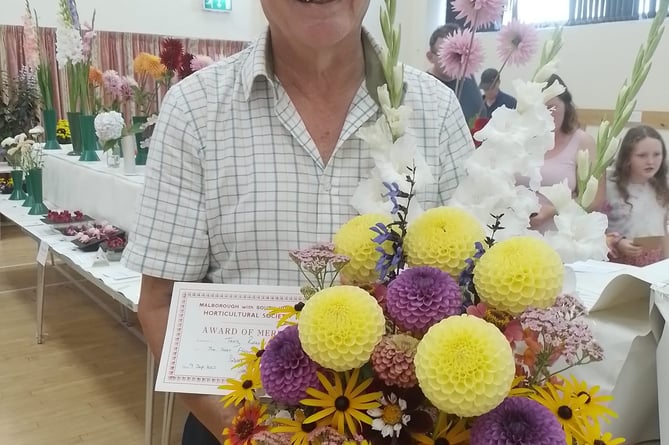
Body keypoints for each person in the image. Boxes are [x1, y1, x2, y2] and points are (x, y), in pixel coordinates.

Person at [122, 1, 474, 444]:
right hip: (236, 425)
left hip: (400, 428)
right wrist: (253, 437)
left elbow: (473, 298)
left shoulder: (435, 110)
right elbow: (160, 302)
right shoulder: (196, 110)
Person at [606, 125, 669, 266]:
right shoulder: (610, 188)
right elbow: (599, 228)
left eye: (657, 154)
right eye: (642, 155)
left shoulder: (662, 187)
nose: (651, 162)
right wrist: (619, 242)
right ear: (627, 158)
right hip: (618, 263)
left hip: (653, 263)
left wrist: (665, 264)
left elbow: (663, 229)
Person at [426, 23, 484, 124]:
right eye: (445, 54)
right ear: (430, 57)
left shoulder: (467, 76)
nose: (457, 59)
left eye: (459, 53)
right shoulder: (425, 86)